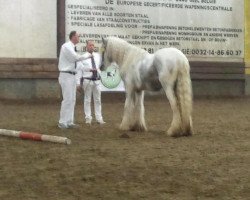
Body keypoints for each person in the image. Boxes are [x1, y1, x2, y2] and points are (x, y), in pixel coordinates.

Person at [58, 31, 92, 129]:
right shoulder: (66, 46)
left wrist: (89, 69)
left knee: (72, 99)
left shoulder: (72, 48)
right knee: (67, 99)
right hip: (66, 75)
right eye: (78, 36)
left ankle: (69, 121)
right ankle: (62, 122)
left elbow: (79, 65)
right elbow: (75, 58)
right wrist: (87, 55)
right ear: (73, 37)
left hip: (72, 76)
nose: (79, 37)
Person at [76, 40, 105, 125]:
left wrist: (99, 73)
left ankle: (99, 118)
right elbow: (79, 71)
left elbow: (99, 67)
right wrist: (78, 83)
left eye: (93, 45)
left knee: (98, 100)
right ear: (86, 46)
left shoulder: (98, 56)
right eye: (90, 45)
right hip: (87, 79)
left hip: (97, 80)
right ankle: (88, 118)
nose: (92, 47)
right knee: (87, 99)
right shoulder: (83, 57)